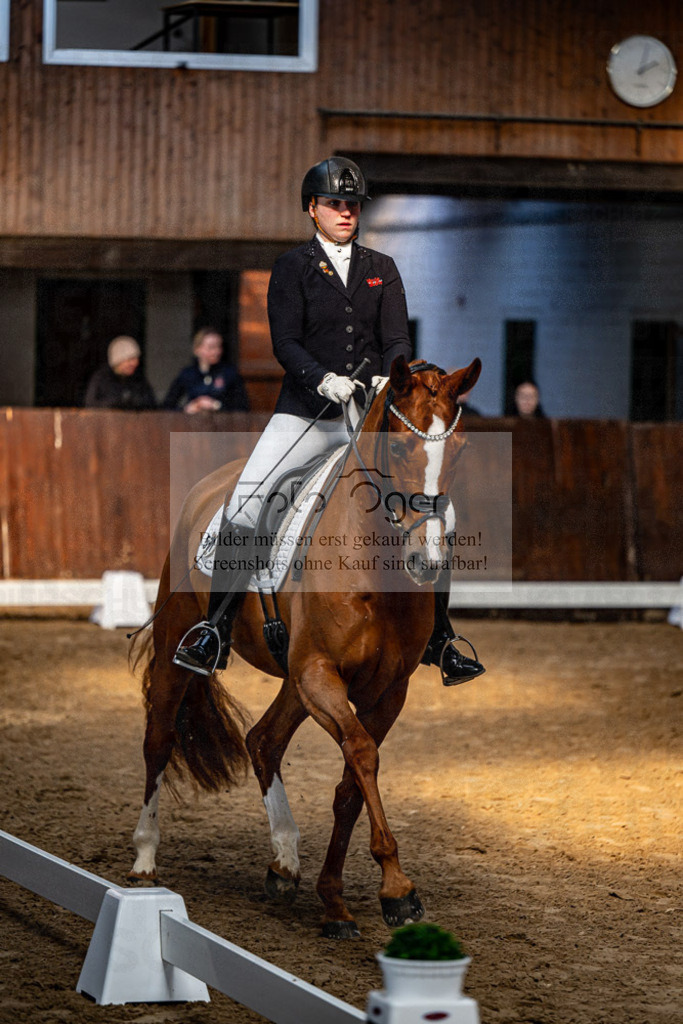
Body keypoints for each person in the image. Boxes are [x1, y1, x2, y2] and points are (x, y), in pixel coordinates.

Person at [174, 156, 484, 688]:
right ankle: (215, 629)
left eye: (352, 205)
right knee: (249, 500)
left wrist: (395, 380)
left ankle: (441, 638)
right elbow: (285, 342)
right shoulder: (292, 267)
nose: (345, 212)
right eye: (335, 204)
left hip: (368, 415)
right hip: (305, 413)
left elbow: (396, 340)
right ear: (312, 209)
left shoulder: (382, 267)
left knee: (441, 513)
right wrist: (323, 379)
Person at [163, 327, 250, 413]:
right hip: (194, 423)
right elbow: (167, 406)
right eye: (211, 347)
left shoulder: (230, 373)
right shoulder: (187, 374)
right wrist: (187, 409)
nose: (216, 351)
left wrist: (216, 405)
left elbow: (242, 408)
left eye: (219, 347)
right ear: (197, 349)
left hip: (222, 424)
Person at [84, 336, 157, 410]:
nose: (135, 363)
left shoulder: (139, 380)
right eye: (130, 359)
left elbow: (152, 406)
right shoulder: (101, 379)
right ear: (118, 361)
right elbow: (91, 406)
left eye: (136, 359)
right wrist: (116, 403)